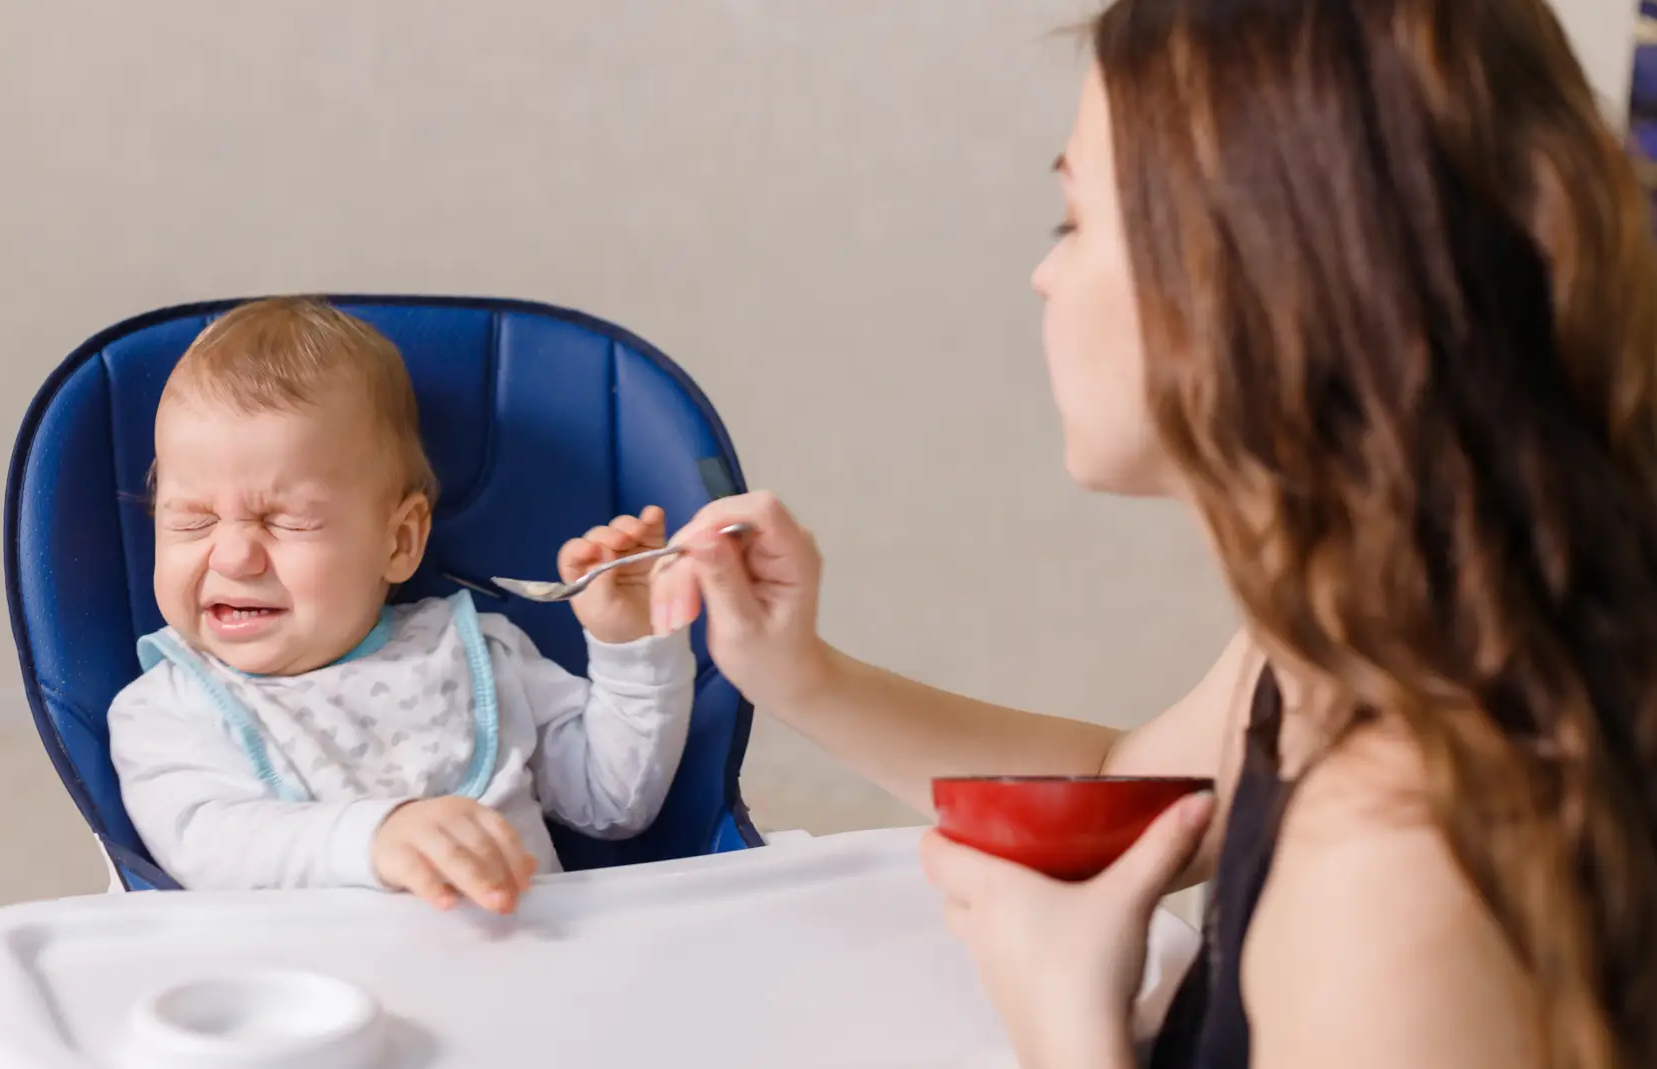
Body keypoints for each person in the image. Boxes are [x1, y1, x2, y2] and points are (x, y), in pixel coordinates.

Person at [649, 0, 1657, 1066]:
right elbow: (1128, 787)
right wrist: (800, 675)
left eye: (1072, 222)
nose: (1043, 273)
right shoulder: (1370, 617)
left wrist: (1065, 1022)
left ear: (1249, 289)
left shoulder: (1395, 870)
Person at [108, 297, 694, 912]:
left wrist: (629, 643)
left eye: (287, 522)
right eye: (193, 521)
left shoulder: (477, 660)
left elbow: (616, 804)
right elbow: (209, 850)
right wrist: (375, 838)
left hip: (531, 978)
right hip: (310, 999)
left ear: (400, 540)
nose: (231, 557)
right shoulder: (168, 710)